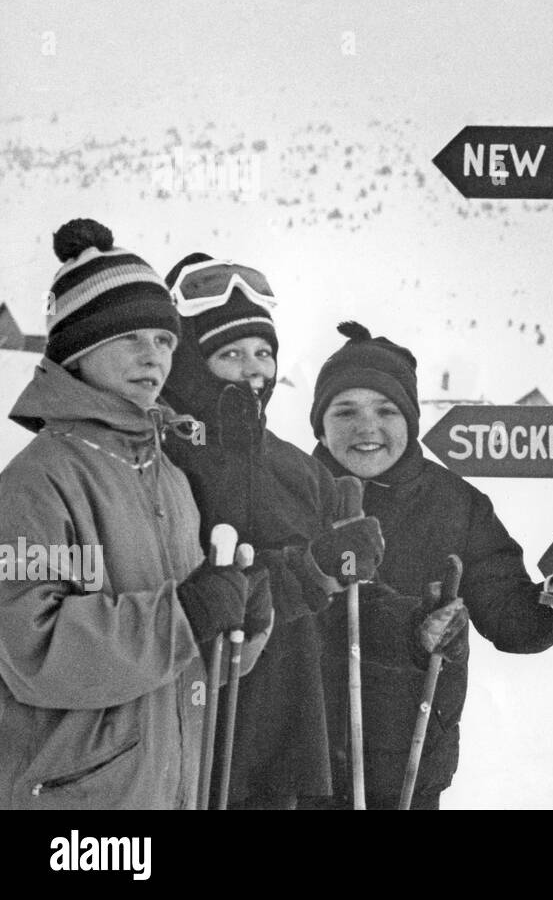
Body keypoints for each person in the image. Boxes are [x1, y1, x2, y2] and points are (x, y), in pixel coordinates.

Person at [0, 219, 270, 810]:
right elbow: (32, 653)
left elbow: (188, 662)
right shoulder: (37, 483)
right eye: (132, 338)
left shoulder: (166, 475)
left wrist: (239, 621)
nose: (155, 356)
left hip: (169, 790)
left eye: (166, 341)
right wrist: (185, 614)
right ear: (79, 348)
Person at [306, 322, 553, 809]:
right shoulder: (288, 493)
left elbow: (510, 617)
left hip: (408, 773)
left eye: (386, 410)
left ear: (410, 420)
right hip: (294, 766)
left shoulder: (455, 505)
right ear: (320, 425)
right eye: (345, 411)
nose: (367, 428)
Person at [160, 254, 384, 809]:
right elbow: (203, 590)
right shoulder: (164, 462)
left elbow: (342, 603)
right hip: (194, 734)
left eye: (263, 352)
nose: (253, 369)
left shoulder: (297, 468)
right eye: (230, 353)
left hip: (288, 740)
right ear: (190, 361)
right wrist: (308, 571)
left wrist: (364, 578)